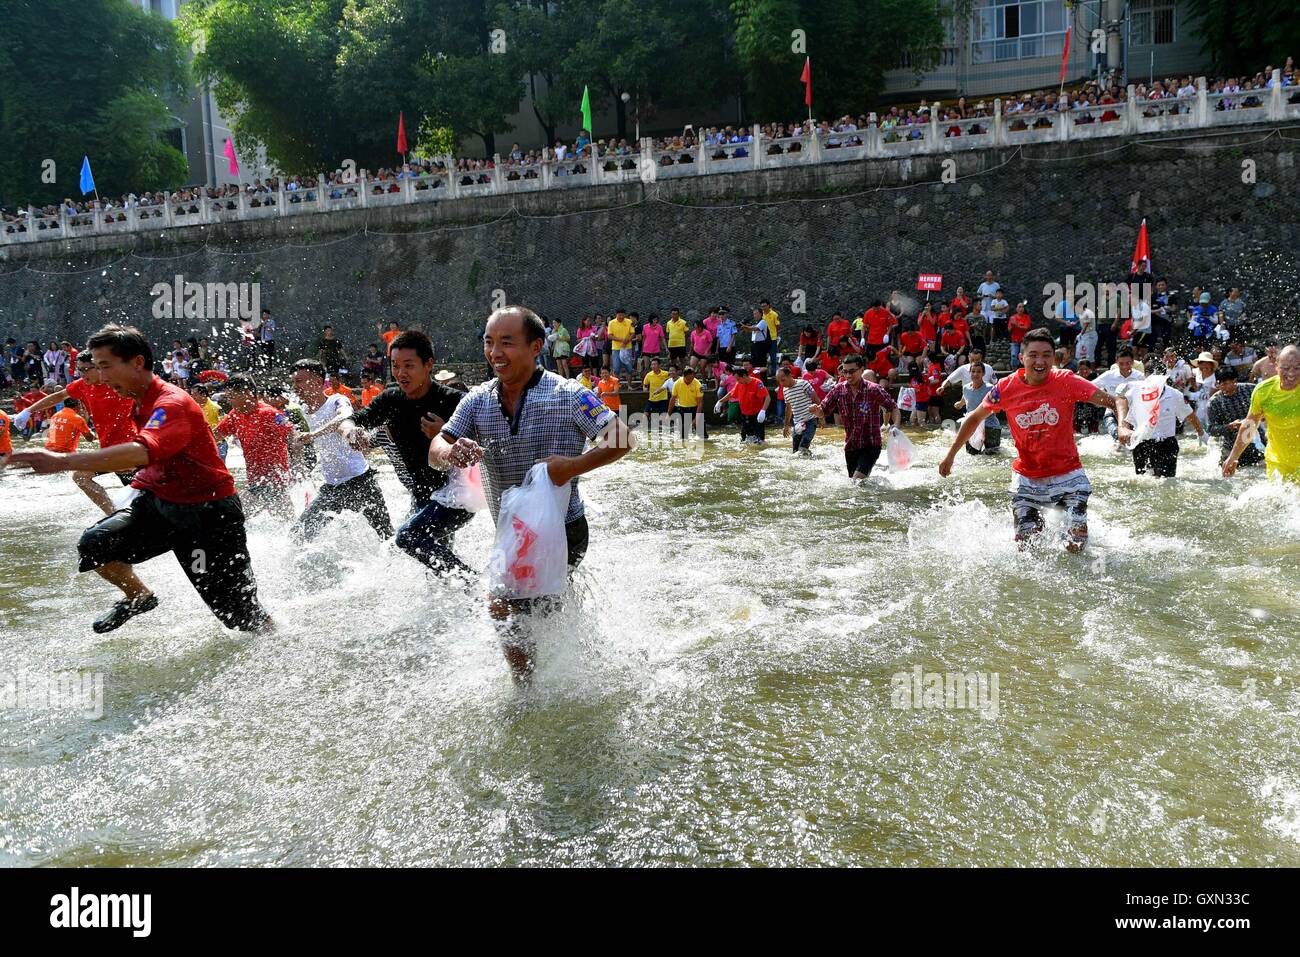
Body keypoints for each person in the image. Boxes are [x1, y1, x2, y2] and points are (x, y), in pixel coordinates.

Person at [4, 324, 273, 634]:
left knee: (239, 615)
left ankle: (281, 649)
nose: (101, 378)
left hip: (205, 520)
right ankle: (138, 596)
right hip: (158, 507)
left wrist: (62, 461)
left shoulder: (170, 403)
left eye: (106, 367)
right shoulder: (137, 400)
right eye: (97, 368)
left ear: (137, 362)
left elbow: (143, 451)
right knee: (96, 544)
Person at [428, 306, 633, 681]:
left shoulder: (569, 394)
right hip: (510, 531)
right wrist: (450, 452)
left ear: (536, 346)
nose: (495, 353)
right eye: (489, 343)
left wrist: (570, 467)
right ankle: (566, 668)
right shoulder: (477, 399)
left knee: (501, 603)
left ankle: (526, 688)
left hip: (564, 527)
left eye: (507, 343)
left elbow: (622, 438)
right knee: (536, 607)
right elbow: (437, 448)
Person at [939, 329, 1118, 552]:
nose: (1040, 361)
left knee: (1076, 544)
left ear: (1055, 358)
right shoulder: (1005, 388)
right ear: (1022, 357)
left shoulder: (1067, 381)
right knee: (1027, 548)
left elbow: (1114, 401)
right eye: (1033, 355)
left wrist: (1125, 426)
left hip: (1069, 475)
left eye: (1046, 355)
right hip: (1027, 479)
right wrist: (950, 455)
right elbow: (974, 418)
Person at [310, 330, 472, 574]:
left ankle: (475, 587)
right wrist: (352, 433)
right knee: (435, 563)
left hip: (458, 493)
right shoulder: (392, 399)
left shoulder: (453, 400)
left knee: (408, 537)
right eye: (395, 366)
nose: (400, 373)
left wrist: (446, 432)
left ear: (428, 364)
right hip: (423, 493)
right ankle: (465, 599)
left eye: (409, 366)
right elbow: (352, 420)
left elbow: (487, 438)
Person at [13, 351, 139, 514]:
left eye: (88, 369)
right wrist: (28, 411)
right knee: (81, 477)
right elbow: (59, 396)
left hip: (133, 449)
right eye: (80, 369)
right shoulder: (82, 385)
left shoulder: (120, 382)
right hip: (109, 449)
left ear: (100, 367)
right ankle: (114, 515)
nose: (83, 373)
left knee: (154, 498)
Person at [288, 359, 393, 540]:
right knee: (298, 535)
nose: (295, 387)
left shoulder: (337, 400)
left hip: (360, 482)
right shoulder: (304, 410)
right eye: (293, 382)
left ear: (318, 382)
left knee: (387, 536)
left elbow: (344, 416)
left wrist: (313, 434)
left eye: (299, 382)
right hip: (331, 487)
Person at [212, 375, 296, 519]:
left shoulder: (270, 413)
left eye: (231, 396)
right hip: (255, 479)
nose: (229, 401)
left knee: (287, 526)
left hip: (275, 480)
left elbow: (292, 434)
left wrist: (298, 465)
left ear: (247, 393)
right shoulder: (235, 415)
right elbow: (215, 436)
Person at [812, 353, 900, 478]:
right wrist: (817, 411)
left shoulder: (874, 390)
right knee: (855, 484)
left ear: (861, 370)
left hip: (871, 445)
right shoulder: (838, 390)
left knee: (857, 480)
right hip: (851, 446)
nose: (848, 375)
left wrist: (895, 425)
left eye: (852, 371)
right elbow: (823, 410)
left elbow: (893, 407)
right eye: (845, 371)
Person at [1223, 344, 1300, 483]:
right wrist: (1233, 457)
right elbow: (1250, 426)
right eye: (1286, 368)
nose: (1291, 373)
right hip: (1278, 463)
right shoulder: (1263, 391)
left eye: (1297, 368)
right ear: (1276, 366)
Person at [1114, 376, 1207, 477]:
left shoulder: (1174, 395)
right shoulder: (1136, 391)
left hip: (1166, 443)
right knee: (1142, 480)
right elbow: (1120, 402)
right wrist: (1120, 393)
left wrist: (1201, 433)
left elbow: (1189, 414)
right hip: (1142, 442)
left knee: (1167, 481)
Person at [1206, 365, 1263, 468]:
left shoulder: (1251, 390)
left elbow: (1267, 407)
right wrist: (1229, 426)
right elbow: (1211, 429)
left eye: (1226, 383)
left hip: (1257, 443)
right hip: (1231, 447)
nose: (1223, 387)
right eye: (1220, 384)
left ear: (1234, 381)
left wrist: (1262, 416)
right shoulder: (1214, 402)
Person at [954, 360, 1001, 454]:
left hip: (990, 427)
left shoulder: (991, 388)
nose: (975, 374)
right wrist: (960, 403)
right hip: (971, 426)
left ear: (983, 373)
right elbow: (965, 398)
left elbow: (998, 408)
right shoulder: (966, 388)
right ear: (969, 373)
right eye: (973, 371)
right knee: (971, 455)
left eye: (979, 371)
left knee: (992, 456)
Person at [717, 365, 770, 444]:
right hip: (745, 415)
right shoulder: (739, 384)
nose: (737, 381)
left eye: (738, 379)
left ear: (744, 376)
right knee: (745, 441)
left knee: (759, 441)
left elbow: (767, 397)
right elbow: (731, 393)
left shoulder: (757, 383)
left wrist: (763, 411)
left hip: (757, 416)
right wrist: (720, 401)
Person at [777, 366, 820, 455]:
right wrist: (786, 426)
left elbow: (816, 400)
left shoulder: (804, 384)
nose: (781, 383)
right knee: (795, 451)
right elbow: (788, 408)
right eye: (779, 381)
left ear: (789, 376)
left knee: (803, 447)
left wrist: (822, 418)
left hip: (810, 421)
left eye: (783, 380)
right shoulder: (785, 390)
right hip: (798, 423)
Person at [667, 365, 705, 440]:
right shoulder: (677, 383)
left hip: (695, 408)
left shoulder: (698, 384)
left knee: (703, 436)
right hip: (683, 409)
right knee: (683, 437)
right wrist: (668, 414)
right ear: (684, 376)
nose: (691, 380)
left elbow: (700, 403)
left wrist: (696, 418)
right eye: (689, 379)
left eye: (692, 378)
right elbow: (672, 399)